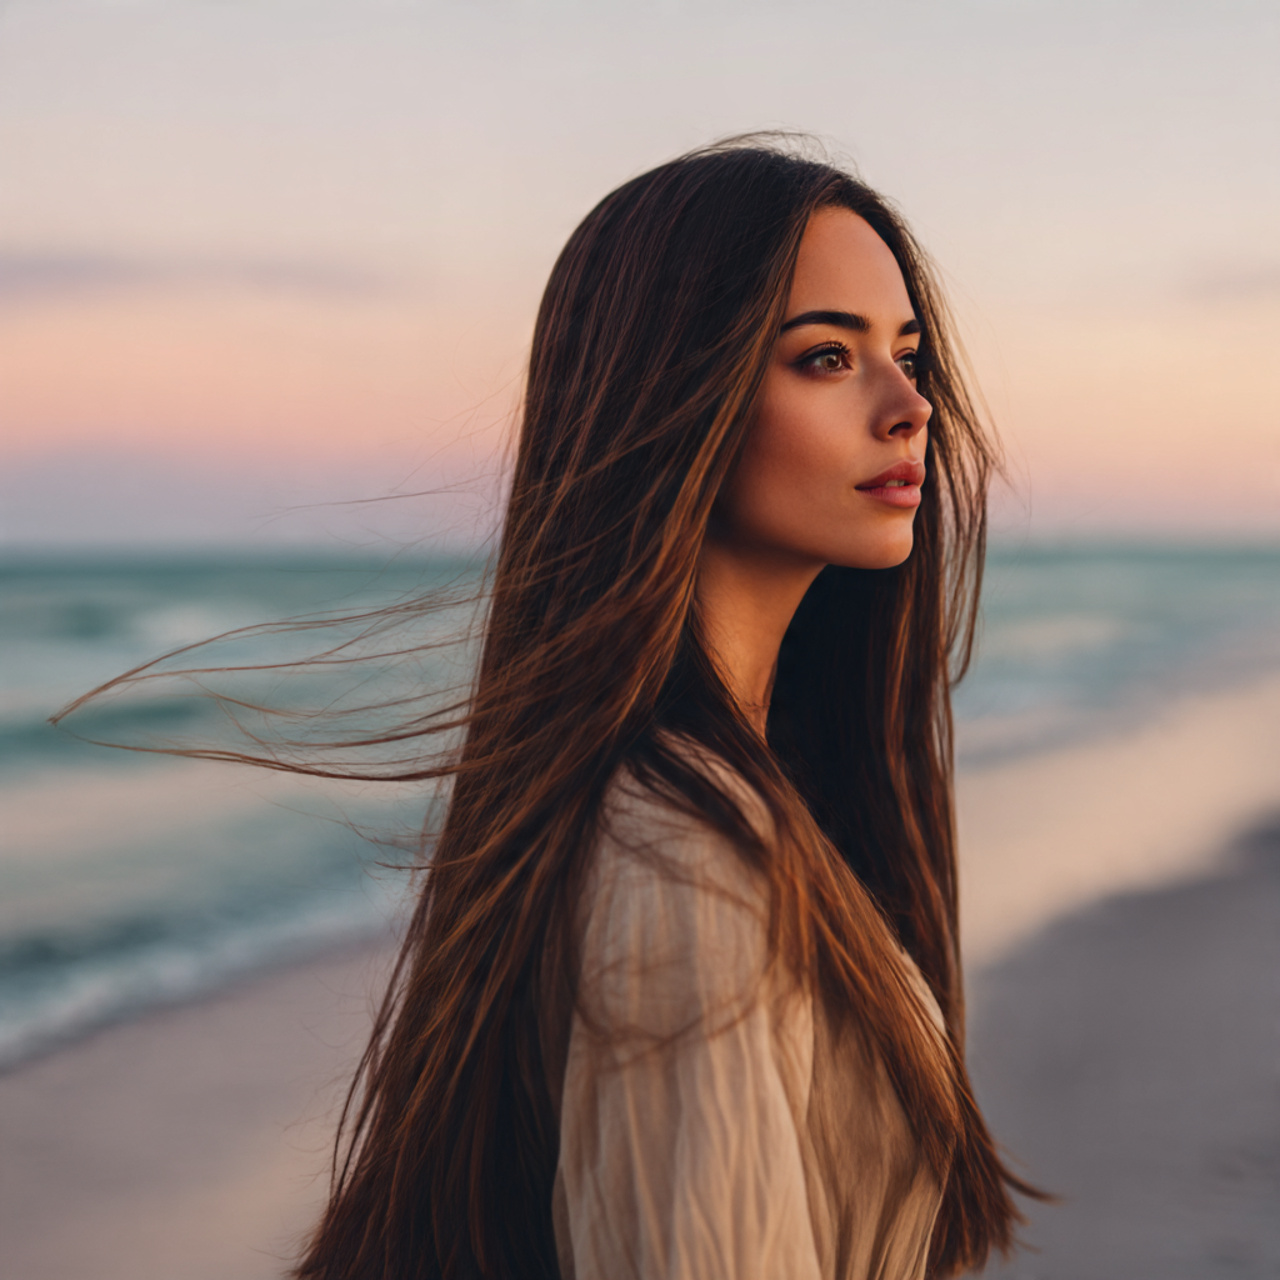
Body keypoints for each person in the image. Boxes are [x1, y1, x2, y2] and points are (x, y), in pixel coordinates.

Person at [294, 136, 1036, 1280]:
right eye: (825, 358)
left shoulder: (731, 798)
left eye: (907, 353)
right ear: (676, 394)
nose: (909, 408)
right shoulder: (683, 862)